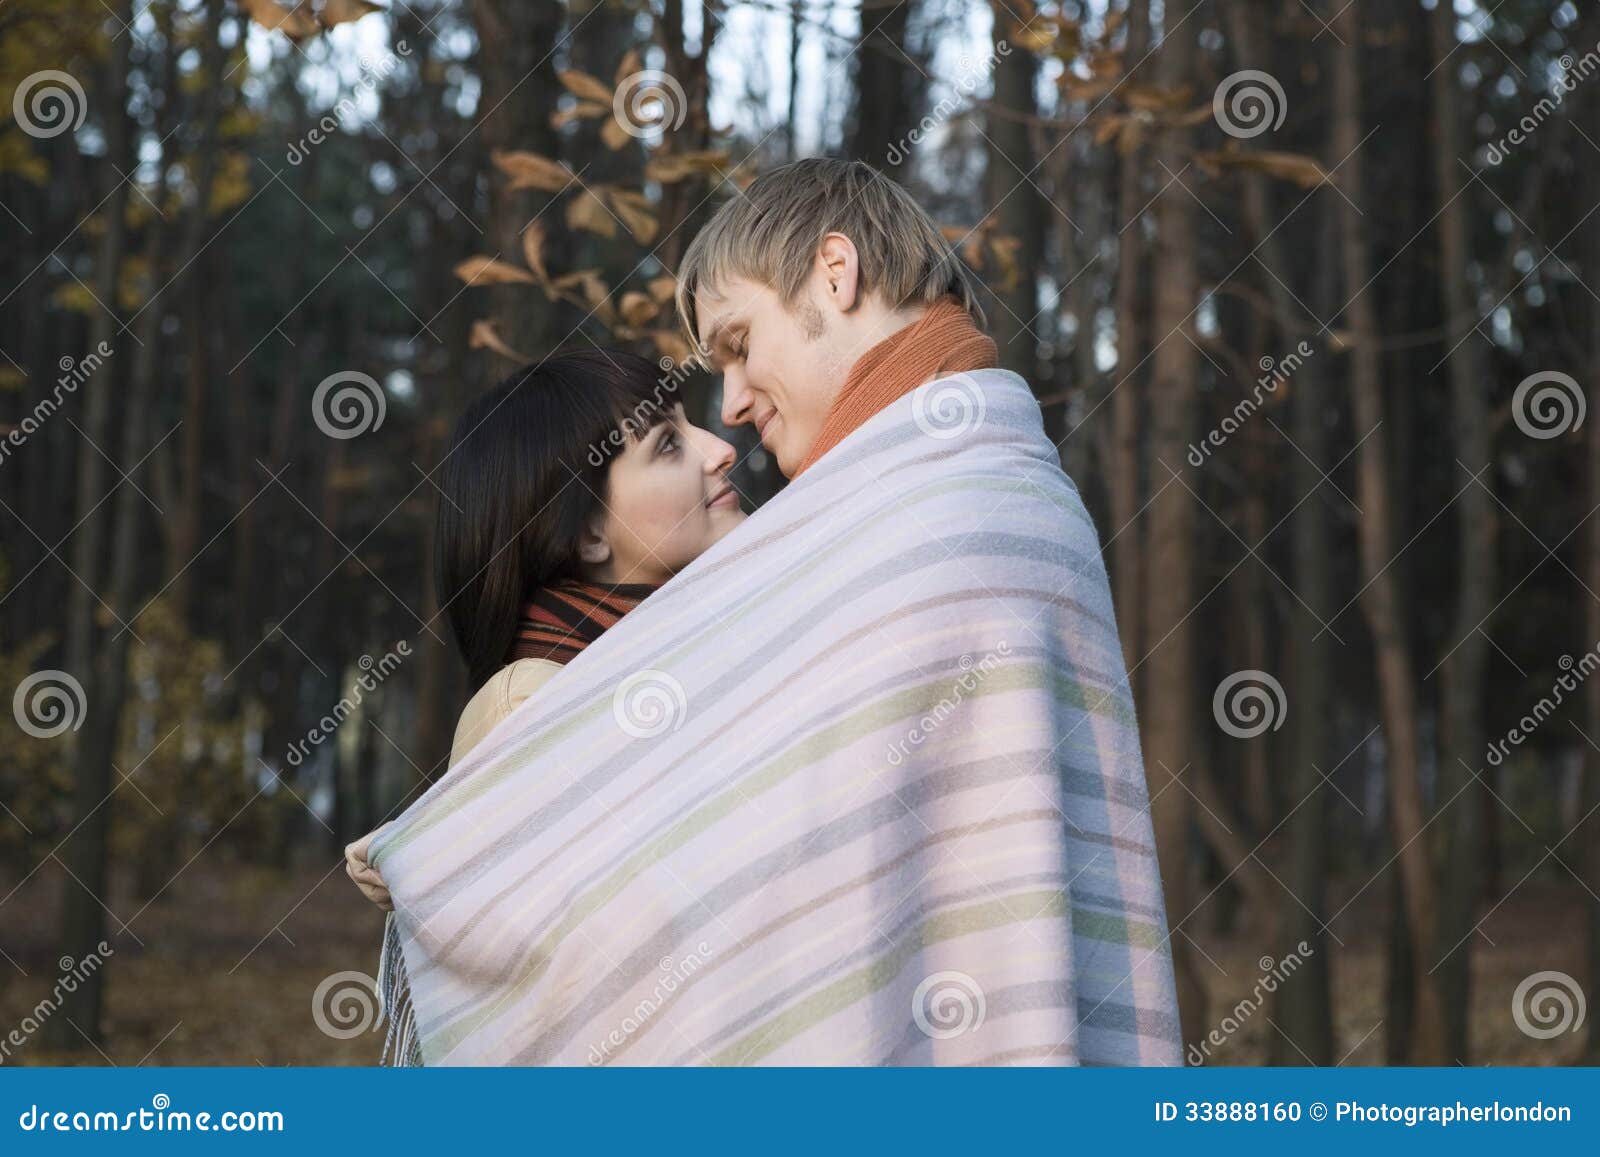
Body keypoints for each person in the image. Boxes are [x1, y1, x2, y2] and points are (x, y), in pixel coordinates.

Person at [360, 158, 1180, 1067]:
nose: (734, 411)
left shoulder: (936, 512)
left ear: (836, 273)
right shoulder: (947, 497)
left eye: (740, 343)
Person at [344, 348, 744, 909]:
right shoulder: (529, 706)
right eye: (669, 445)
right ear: (588, 534)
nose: (723, 450)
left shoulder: (700, 649)